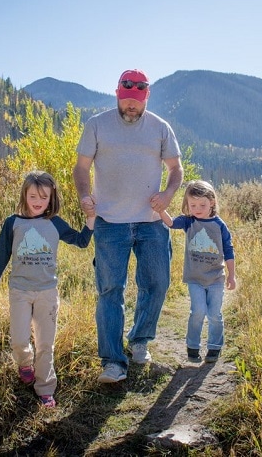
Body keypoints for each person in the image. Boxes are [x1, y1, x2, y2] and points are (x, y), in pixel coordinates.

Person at [73, 68, 183, 383]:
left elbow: (176, 168)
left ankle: (139, 341)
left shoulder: (160, 127)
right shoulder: (97, 125)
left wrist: (168, 192)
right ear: (118, 95)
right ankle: (113, 362)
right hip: (110, 223)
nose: (131, 107)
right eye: (126, 101)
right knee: (110, 290)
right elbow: (81, 168)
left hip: (152, 223)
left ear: (145, 98)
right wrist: (84, 195)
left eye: (137, 102)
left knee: (157, 284)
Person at [0, 170, 95, 408]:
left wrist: (91, 220)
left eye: (44, 197)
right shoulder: (13, 223)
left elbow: (81, 241)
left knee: (45, 344)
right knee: (19, 341)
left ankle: (45, 389)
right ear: (25, 194)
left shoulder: (54, 222)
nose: (38, 202)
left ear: (51, 198)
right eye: (33, 196)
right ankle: (25, 364)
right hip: (20, 291)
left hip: (47, 292)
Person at [158, 180, 235, 363]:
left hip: (216, 278)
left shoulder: (219, 225)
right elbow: (170, 223)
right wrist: (160, 209)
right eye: (193, 205)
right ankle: (193, 347)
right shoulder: (188, 222)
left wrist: (231, 275)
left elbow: (229, 250)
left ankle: (214, 348)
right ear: (187, 205)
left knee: (215, 314)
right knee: (198, 311)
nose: (197, 208)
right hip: (195, 279)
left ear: (212, 202)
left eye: (202, 204)